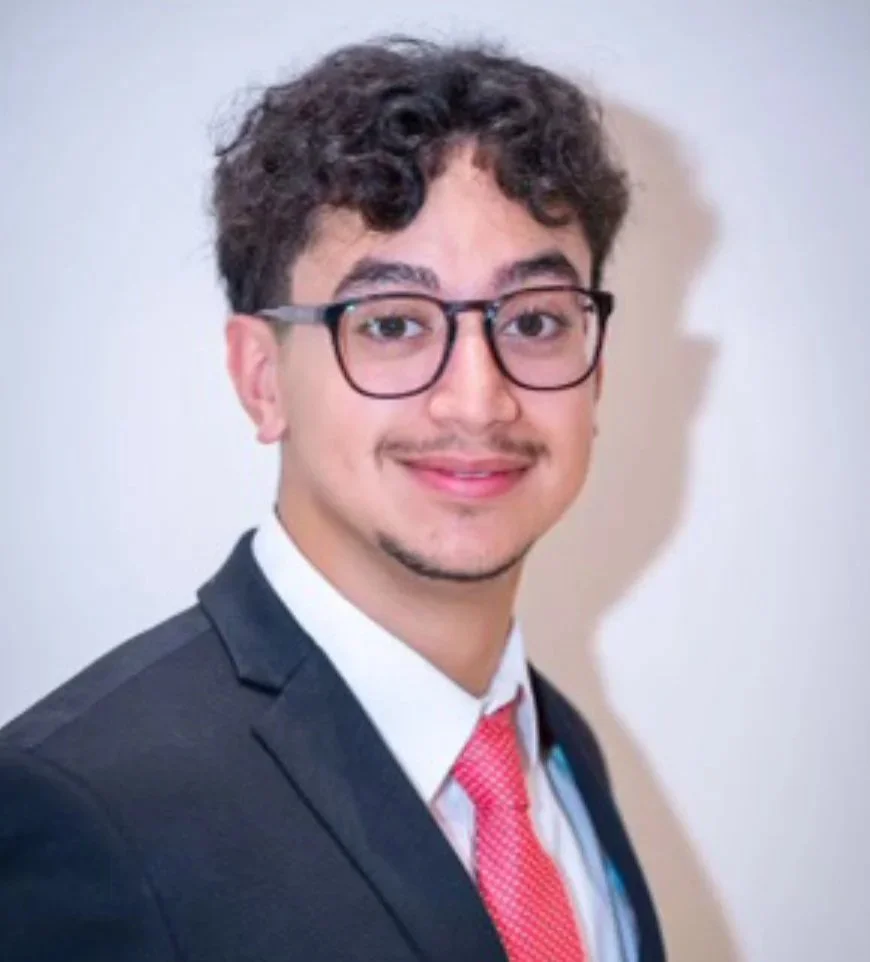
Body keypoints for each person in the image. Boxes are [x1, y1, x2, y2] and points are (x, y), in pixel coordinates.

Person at [0, 38, 665, 962]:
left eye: (536, 321)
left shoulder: (559, 749)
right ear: (261, 377)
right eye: (392, 323)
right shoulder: (84, 809)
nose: (479, 398)